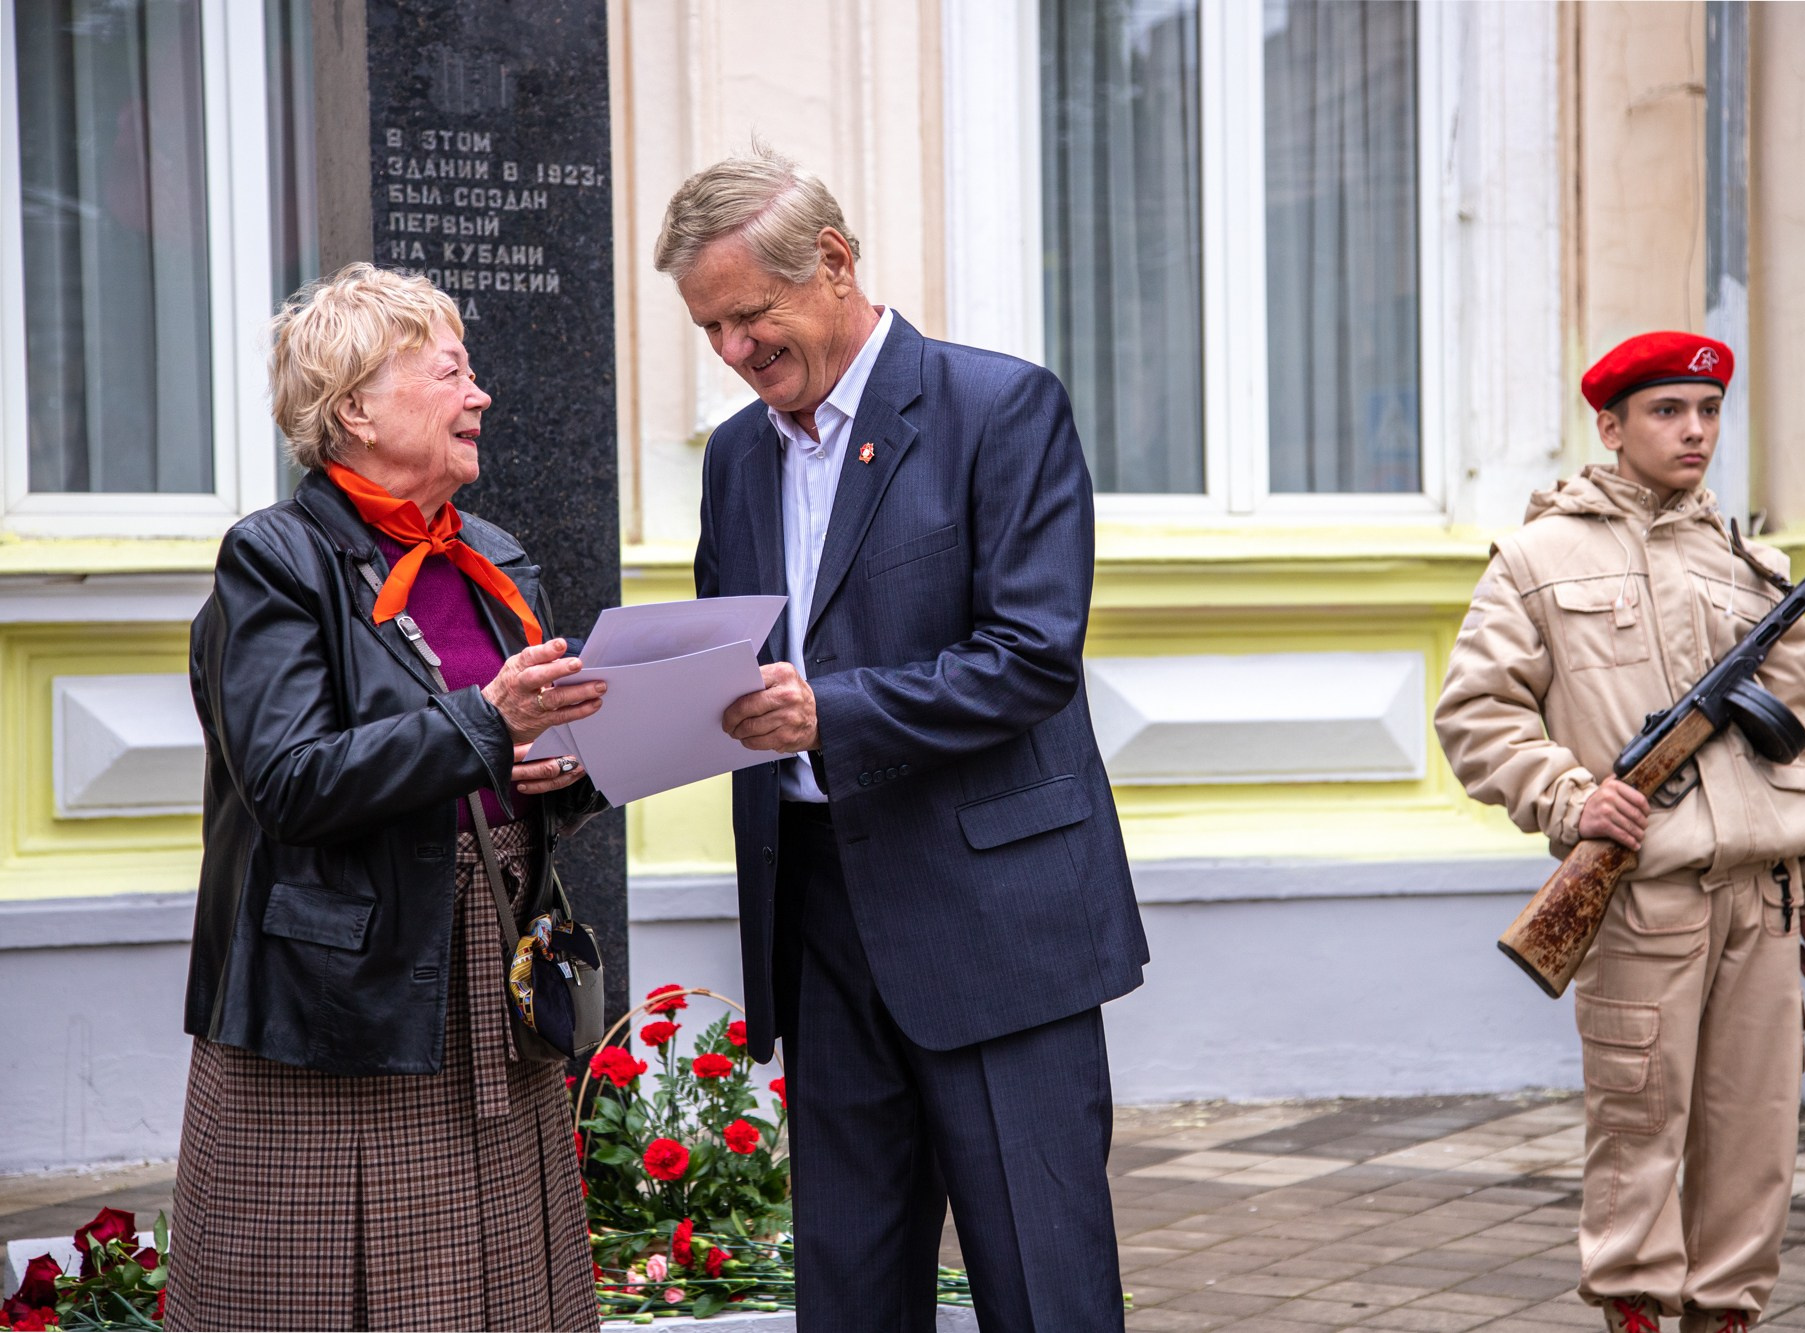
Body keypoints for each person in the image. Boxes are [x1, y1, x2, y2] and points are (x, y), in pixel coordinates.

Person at [657, 145, 1148, 1331]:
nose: (732, 352)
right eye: (709, 328)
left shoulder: (998, 406)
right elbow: (735, 660)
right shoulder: (733, 457)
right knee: (850, 1293)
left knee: (1043, 1289)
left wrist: (834, 713)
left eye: (749, 316)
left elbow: (1031, 657)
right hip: (820, 918)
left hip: (992, 924)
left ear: (832, 264)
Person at [167, 263, 609, 1331]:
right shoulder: (278, 560)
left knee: (502, 1297)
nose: (481, 396)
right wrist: (485, 722)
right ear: (355, 405)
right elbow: (288, 780)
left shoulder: (494, 560)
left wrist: (569, 770)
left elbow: (510, 764)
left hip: (488, 966)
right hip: (344, 995)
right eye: (450, 371)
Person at [1435, 332, 1805, 1333]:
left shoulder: (1752, 568)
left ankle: (1727, 1315)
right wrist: (1572, 797)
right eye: (1667, 411)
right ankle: (1631, 1313)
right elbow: (1474, 712)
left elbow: (1795, 744)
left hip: (1762, 897)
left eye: (1706, 412)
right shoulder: (1537, 559)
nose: (1694, 430)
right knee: (1635, 1127)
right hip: (1638, 900)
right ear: (1610, 427)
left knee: (1752, 1134)